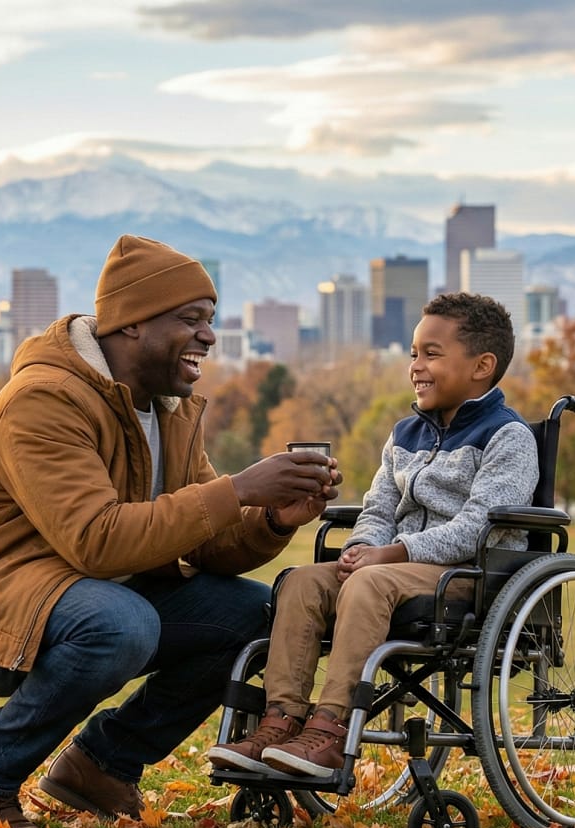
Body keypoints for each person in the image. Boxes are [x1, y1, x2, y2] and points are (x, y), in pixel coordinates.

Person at [0, 234, 340, 828]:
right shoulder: (42, 401)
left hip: (85, 597)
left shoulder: (171, 409)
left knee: (258, 613)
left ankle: (101, 765)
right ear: (133, 324)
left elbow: (206, 543)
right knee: (119, 623)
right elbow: (97, 540)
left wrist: (269, 519)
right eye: (191, 320)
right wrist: (237, 490)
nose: (209, 336)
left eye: (209, 321)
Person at [208, 291, 539, 777]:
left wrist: (393, 553)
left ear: (481, 365)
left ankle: (329, 728)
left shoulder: (507, 437)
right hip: (391, 566)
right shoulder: (405, 435)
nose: (416, 366)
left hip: (469, 574)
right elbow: (378, 507)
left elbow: (479, 526)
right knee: (301, 581)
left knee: (368, 582)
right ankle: (279, 722)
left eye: (432, 354)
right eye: (412, 354)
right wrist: (363, 547)